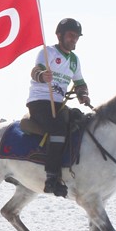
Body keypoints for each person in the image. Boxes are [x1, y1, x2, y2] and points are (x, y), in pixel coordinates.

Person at [27, 18, 91, 198]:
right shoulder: (47, 52)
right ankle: (52, 177)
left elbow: (79, 82)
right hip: (40, 101)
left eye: (77, 36)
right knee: (58, 129)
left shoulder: (74, 61)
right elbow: (35, 71)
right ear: (59, 35)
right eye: (71, 35)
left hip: (59, 103)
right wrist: (42, 76)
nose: (74, 39)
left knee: (80, 122)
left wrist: (83, 94)